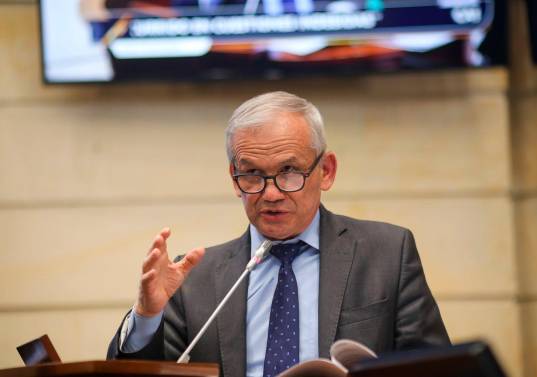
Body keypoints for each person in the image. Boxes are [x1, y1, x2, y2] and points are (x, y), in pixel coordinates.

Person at [107, 91, 450, 376]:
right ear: (234, 179)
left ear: (326, 171)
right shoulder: (194, 278)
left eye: (288, 171)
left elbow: (437, 368)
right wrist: (146, 316)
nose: (271, 193)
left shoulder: (387, 253)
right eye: (253, 174)